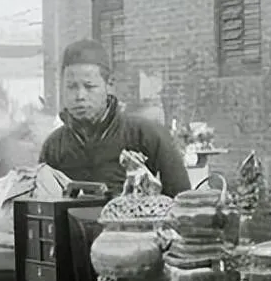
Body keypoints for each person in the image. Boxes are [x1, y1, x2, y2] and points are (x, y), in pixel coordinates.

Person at [39, 39, 190, 198]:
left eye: (89, 86)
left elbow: (184, 201)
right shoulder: (54, 147)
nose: (80, 96)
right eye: (71, 87)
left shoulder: (146, 136)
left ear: (109, 84)